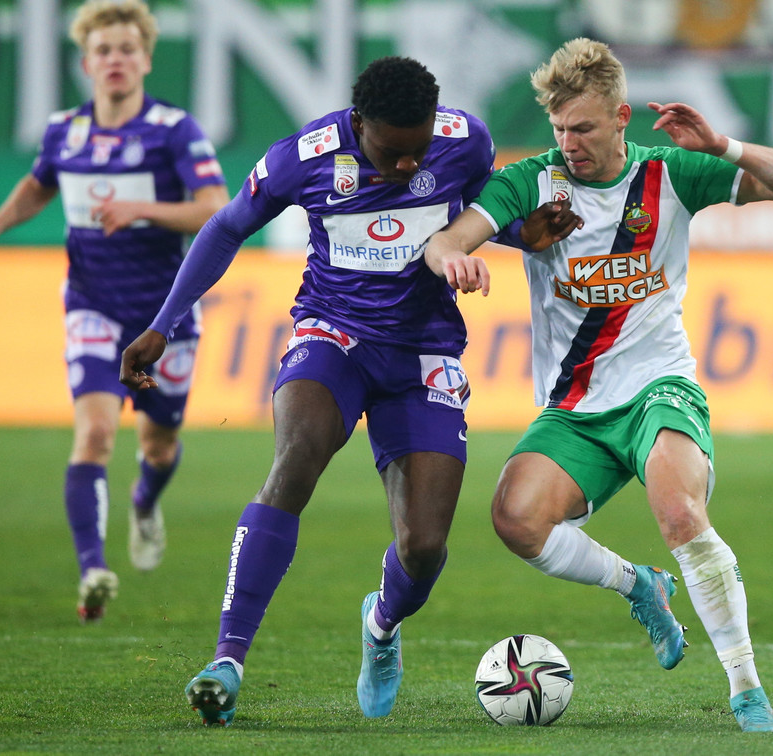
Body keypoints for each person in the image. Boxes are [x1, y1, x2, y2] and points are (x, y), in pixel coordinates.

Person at [118, 55, 595, 727]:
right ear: (358, 122)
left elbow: (487, 215)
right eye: (392, 152)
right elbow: (226, 227)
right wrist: (162, 325)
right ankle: (227, 661)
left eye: (417, 150)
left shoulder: (466, 141)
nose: (407, 164)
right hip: (332, 333)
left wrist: (526, 235)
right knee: (295, 460)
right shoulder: (304, 157)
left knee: (423, 547)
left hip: (424, 352)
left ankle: (381, 623)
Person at [425, 37, 773, 733]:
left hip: (659, 387)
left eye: (583, 127)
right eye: (559, 129)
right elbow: (447, 239)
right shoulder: (531, 182)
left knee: (680, 516)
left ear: (620, 117)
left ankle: (747, 689)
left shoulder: (671, 172)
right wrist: (456, 258)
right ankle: (641, 586)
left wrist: (722, 145)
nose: (568, 143)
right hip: (576, 407)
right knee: (516, 519)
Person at [0, 0, 229, 622]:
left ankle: (144, 502)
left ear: (146, 59)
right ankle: (93, 570)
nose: (115, 60)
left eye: (127, 49)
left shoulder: (173, 130)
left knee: (158, 444)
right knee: (96, 433)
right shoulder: (65, 131)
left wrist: (144, 210)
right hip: (93, 304)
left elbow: (215, 207)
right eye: (103, 50)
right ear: (85, 63)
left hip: (164, 315)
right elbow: (39, 185)